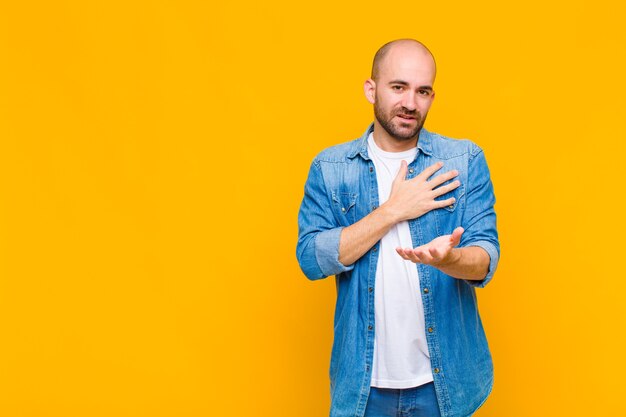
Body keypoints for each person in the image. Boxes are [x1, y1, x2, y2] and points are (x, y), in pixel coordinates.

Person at [296, 39, 500, 417]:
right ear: (371, 89)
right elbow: (310, 258)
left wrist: (451, 259)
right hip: (363, 386)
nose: (410, 102)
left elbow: (486, 258)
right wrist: (392, 210)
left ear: (432, 96)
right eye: (398, 87)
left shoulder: (465, 160)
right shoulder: (331, 167)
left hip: (446, 382)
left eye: (422, 91)